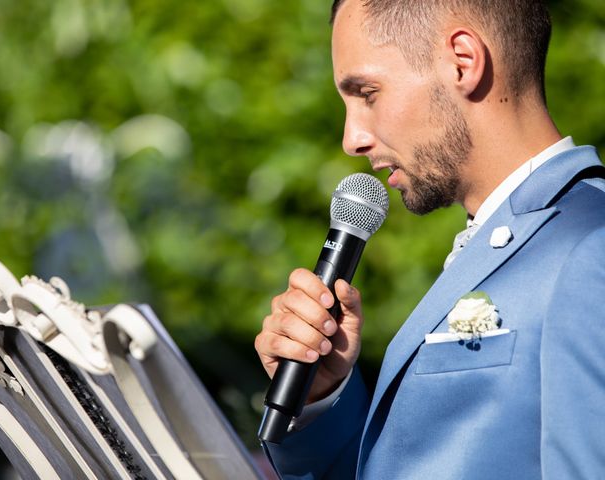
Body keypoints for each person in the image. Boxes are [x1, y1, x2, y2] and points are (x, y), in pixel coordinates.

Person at [254, 0, 605, 478]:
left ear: (463, 61)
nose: (352, 138)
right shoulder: (490, 241)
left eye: (368, 93)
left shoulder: (591, 248)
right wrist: (322, 395)